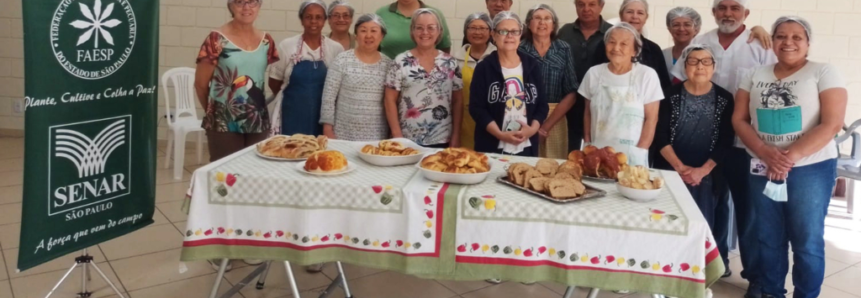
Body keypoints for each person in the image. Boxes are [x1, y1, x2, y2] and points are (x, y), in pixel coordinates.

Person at [734, 16, 847, 298]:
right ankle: (772, 293)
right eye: (781, 36)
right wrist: (765, 153)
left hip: (810, 167)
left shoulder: (824, 71)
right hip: (762, 165)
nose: (788, 42)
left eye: (797, 37)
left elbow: (831, 123)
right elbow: (739, 120)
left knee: (806, 240)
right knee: (769, 237)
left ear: (808, 43)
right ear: (772, 42)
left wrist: (788, 158)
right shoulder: (754, 74)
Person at [672, 0, 778, 291]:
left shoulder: (761, 44)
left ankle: (755, 277)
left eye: (734, 7)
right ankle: (715, 264)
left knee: (750, 211)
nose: (727, 13)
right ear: (714, 12)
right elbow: (684, 81)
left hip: (747, 143)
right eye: (722, 7)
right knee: (714, 204)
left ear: (746, 13)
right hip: (709, 142)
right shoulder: (701, 41)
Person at [193, 0, 279, 271]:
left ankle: (248, 240)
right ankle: (219, 244)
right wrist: (216, 111)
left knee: (254, 181)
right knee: (223, 181)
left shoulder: (267, 41)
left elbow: (270, 79)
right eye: (240, 2)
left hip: (256, 120)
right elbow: (201, 82)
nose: (247, 7)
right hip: (223, 121)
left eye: (252, 2)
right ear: (231, 5)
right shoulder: (216, 39)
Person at [654, 44, 735, 242]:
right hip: (671, 170)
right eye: (693, 61)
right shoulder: (668, 95)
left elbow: (726, 140)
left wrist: (701, 171)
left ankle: (705, 268)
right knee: (669, 223)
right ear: (684, 66)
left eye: (706, 61)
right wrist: (680, 168)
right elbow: (660, 135)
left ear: (714, 67)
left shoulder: (725, 98)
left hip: (708, 174)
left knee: (703, 227)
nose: (700, 66)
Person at [579, 22, 663, 167]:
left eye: (624, 44)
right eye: (612, 42)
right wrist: (587, 143)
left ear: (635, 50)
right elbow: (587, 112)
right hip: (597, 151)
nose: (616, 48)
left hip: (631, 155)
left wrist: (640, 151)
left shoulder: (647, 75)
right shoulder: (594, 73)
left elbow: (652, 119)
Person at [470, 11, 548, 157]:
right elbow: (476, 108)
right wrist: (500, 134)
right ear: (493, 35)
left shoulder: (532, 65)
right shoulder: (484, 68)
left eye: (514, 31)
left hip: (526, 146)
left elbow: (542, 105)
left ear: (520, 34)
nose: (510, 36)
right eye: (503, 31)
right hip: (491, 146)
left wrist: (532, 130)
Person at [384, 9, 463, 148]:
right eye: (419, 28)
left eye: (431, 28)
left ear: (439, 31)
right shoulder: (400, 61)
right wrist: (397, 136)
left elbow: (458, 101)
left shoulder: (450, 63)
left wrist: (456, 136)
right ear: (412, 31)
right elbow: (389, 100)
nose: (425, 32)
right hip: (407, 139)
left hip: (443, 139)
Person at [269, 0, 345, 136]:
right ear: (301, 20)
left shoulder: (335, 48)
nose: (313, 21)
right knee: (291, 150)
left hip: (322, 116)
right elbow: (274, 82)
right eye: (308, 17)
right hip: (291, 113)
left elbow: (339, 86)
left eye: (318, 17)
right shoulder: (287, 46)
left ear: (325, 21)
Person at [518, 4, 578, 160]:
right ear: (529, 25)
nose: (542, 22)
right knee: (523, 164)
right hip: (524, 116)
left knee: (553, 168)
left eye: (547, 18)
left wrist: (545, 127)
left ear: (554, 25)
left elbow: (572, 92)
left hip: (555, 117)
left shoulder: (563, 48)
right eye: (537, 18)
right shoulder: (519, 49)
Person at [320, 14, 392, 141]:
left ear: (382, 36)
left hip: (377, 136)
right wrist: (327, 128)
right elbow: (329, 97)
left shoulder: (389, 65)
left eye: (374, 31)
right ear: (356, 36)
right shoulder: (342, 60)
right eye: (363, 31)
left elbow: (391, 102)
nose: (368, 35)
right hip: (342, 134)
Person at [557, 0, 613, 152]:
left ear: (601, 6)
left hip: (600, 103)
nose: (586, 9)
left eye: (591, 4)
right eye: (581, 4)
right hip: (568, 103)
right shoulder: (565, 32)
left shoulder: (612, 33)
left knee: (598, 151)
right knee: (569, 151)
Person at [590, 0, 671, 93]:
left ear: (646, 18)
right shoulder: (605, 45)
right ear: (621, 15)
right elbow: (594, 79)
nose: (635, 16)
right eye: (629, 12)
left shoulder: (654, 49)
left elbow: (664, 86)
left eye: (640, 13)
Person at [453, 12, 495, 150]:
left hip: (492, 120)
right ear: (466, 31)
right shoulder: (455, 59)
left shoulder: (497, 57)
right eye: (472, 28)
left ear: (490, 32)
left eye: (483, 28)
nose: (477, 32)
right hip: (463, 121)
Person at [376, 0, 452, 59]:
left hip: (428, 73)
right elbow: (374, 46)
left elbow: (444, 47)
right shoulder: (381, 14)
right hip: (386, 73)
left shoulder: (434, 14)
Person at [662, 7, 701, 81]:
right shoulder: (661, 55)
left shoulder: (704, 56)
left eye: (687, 24)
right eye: (676, 25)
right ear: (669, 29)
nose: (681, 29)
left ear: (696, 29)